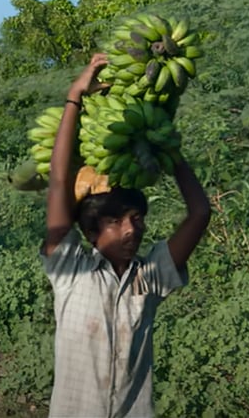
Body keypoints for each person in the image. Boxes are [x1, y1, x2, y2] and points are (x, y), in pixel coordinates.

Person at [41, 53, 211, 417]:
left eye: (136, 218)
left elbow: (200, 213)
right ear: (89, 231)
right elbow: (58, 182)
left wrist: (171, 151)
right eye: (116, 221)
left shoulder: (149, 278)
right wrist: (75, 97)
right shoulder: (71, 272)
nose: (131, 229)